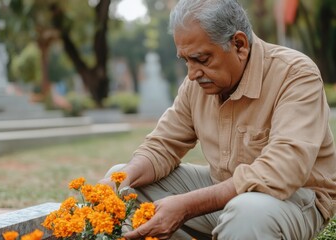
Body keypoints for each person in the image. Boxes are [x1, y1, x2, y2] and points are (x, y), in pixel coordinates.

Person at [99, 0, 336, 239]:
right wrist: (121, 178)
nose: (192, 74)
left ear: (239, 45)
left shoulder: (295, 74)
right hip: (224, 191)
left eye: (202, 59)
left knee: (247, 214)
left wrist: (188, 205)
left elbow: (284, 169)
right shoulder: (196, 84)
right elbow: (162, 145)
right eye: (186, 61)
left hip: (294, 198)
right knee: (124, 184)